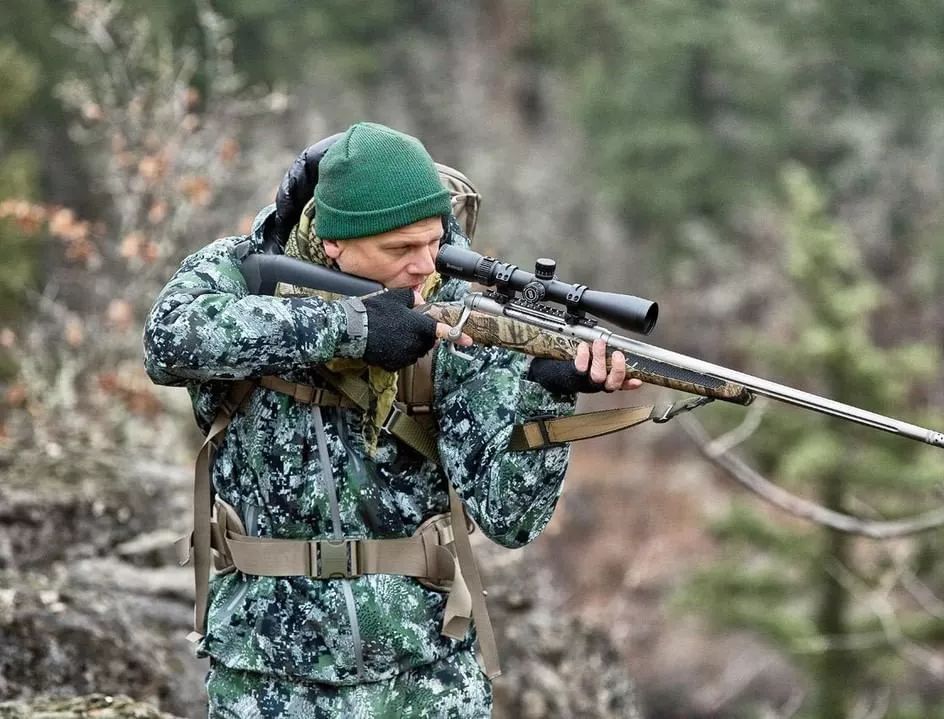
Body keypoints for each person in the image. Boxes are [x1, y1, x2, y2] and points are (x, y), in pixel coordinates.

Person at [144, 122, 640, 718]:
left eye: (432, 243)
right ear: (334, 242)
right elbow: (168, 342)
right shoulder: (241, 271)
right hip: (268, 675)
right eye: (399, 250)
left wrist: (545, 393)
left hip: (428, 676)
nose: (424, 265)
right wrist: (353, 329)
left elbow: (510, 520)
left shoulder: (458, 313)